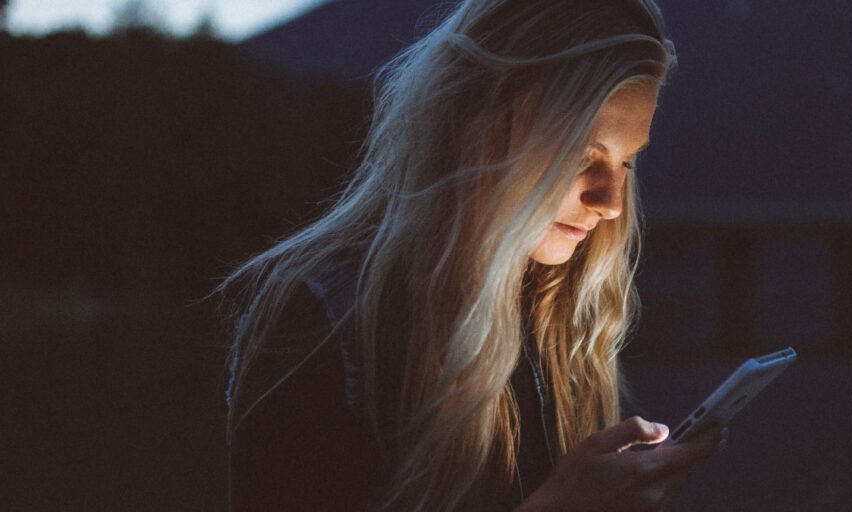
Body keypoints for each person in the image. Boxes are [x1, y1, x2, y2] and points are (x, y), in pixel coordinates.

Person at [217, 0, 726, 510]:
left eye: (627, 163)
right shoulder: (322, 322)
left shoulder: (554, 321)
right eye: (580, 154)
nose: (610, 203)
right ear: (475, 121)